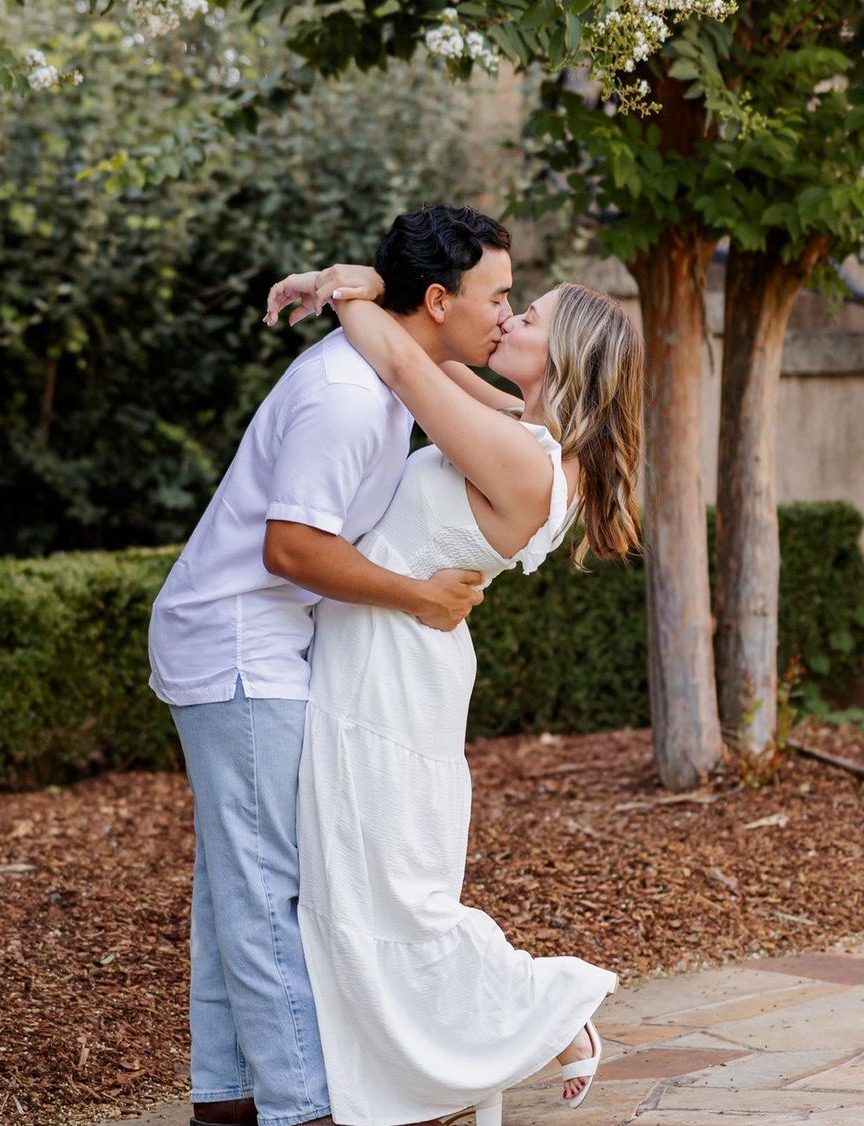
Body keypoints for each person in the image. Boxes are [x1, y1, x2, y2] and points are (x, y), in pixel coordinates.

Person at [147, 204, 518, 1126]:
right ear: (439, 301)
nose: (506, 315)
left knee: (238, 880)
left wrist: (353, 280)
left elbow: (508, 406)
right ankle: (301, 1107)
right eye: (498, 297)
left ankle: (228, 1097)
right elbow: (292, 549)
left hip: (267, 641)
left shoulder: (395, 371)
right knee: (267, 886)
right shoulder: (347, 396)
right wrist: (419, 596)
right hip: (238, 645)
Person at [263, 260, 644, 1126]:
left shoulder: (522, 458)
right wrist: (371, 281)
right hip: (389, 656)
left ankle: (552, 1012)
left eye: (529, 318)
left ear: (565, 357)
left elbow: (406, 364)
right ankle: (432, 1078)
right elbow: (435, 358)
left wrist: (349, 290)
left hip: (392, 672)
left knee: (397, 896)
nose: (509, 320)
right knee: (363, 883)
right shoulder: (522, 431)